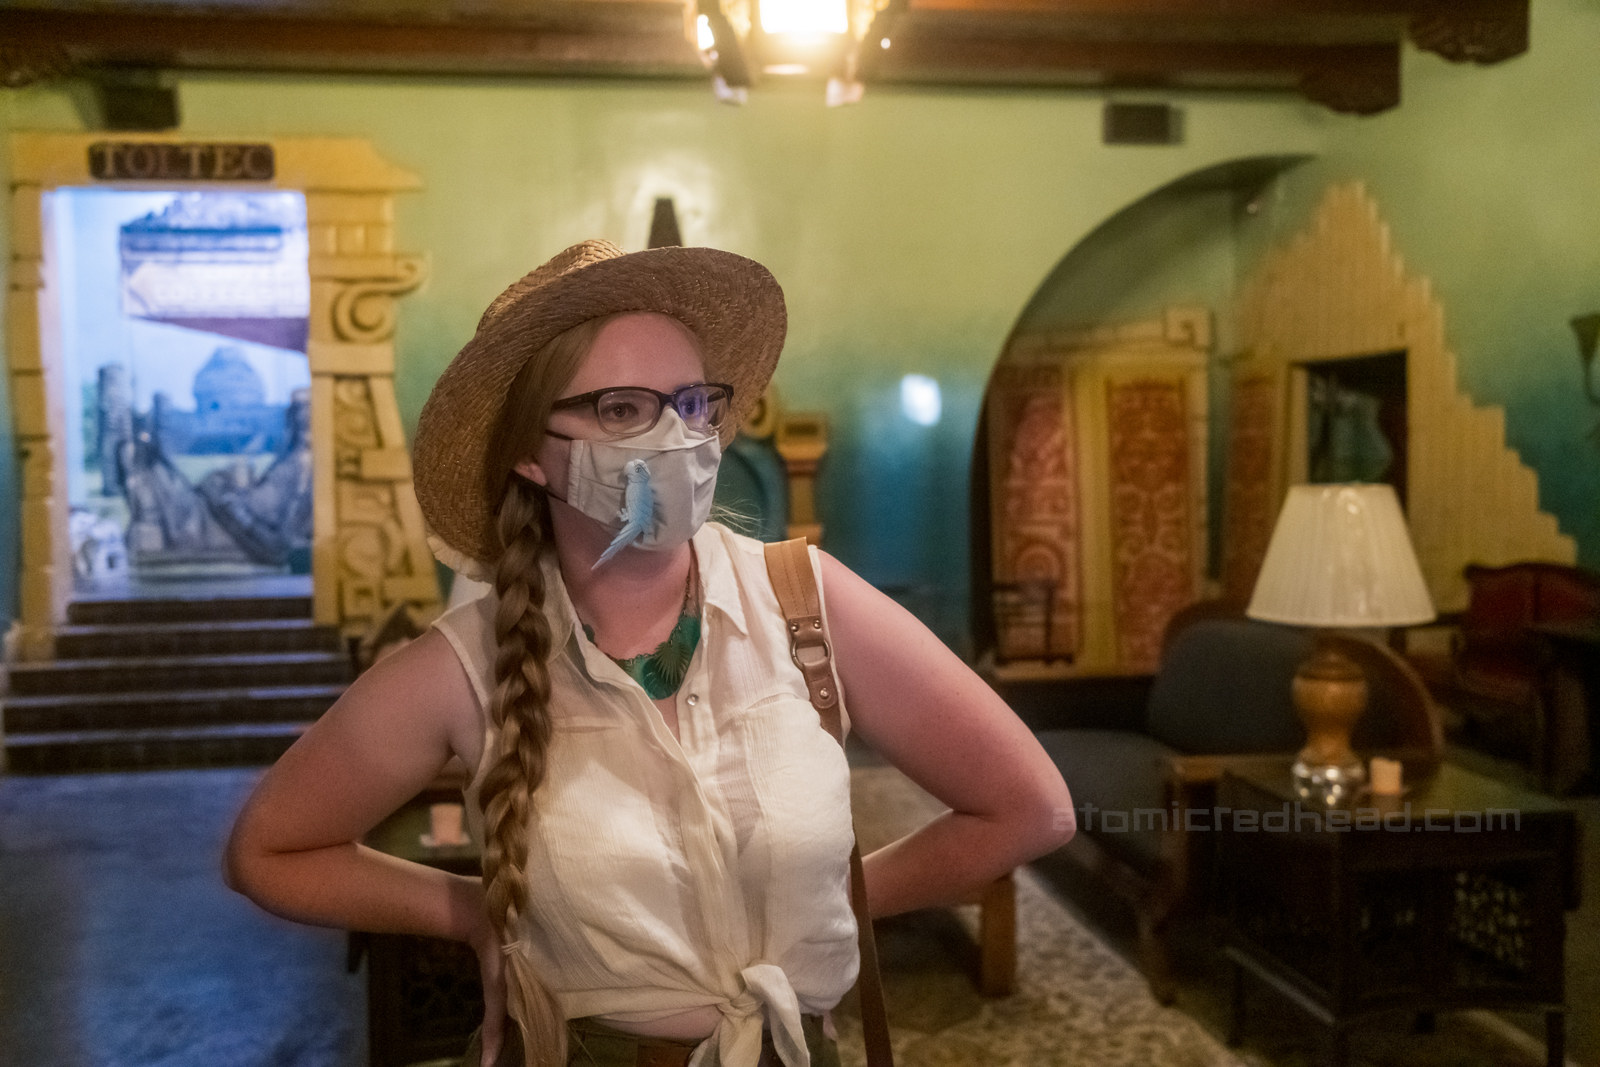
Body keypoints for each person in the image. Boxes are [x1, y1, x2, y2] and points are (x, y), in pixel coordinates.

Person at [225, 240, 1074, 1067]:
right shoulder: (467, 662)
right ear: (530, 452)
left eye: (692, 402)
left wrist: (830, 903)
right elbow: (269, 850)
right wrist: (478, 913)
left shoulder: (803, 600)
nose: (677, 436)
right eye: (622, 409)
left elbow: (1030, 808)